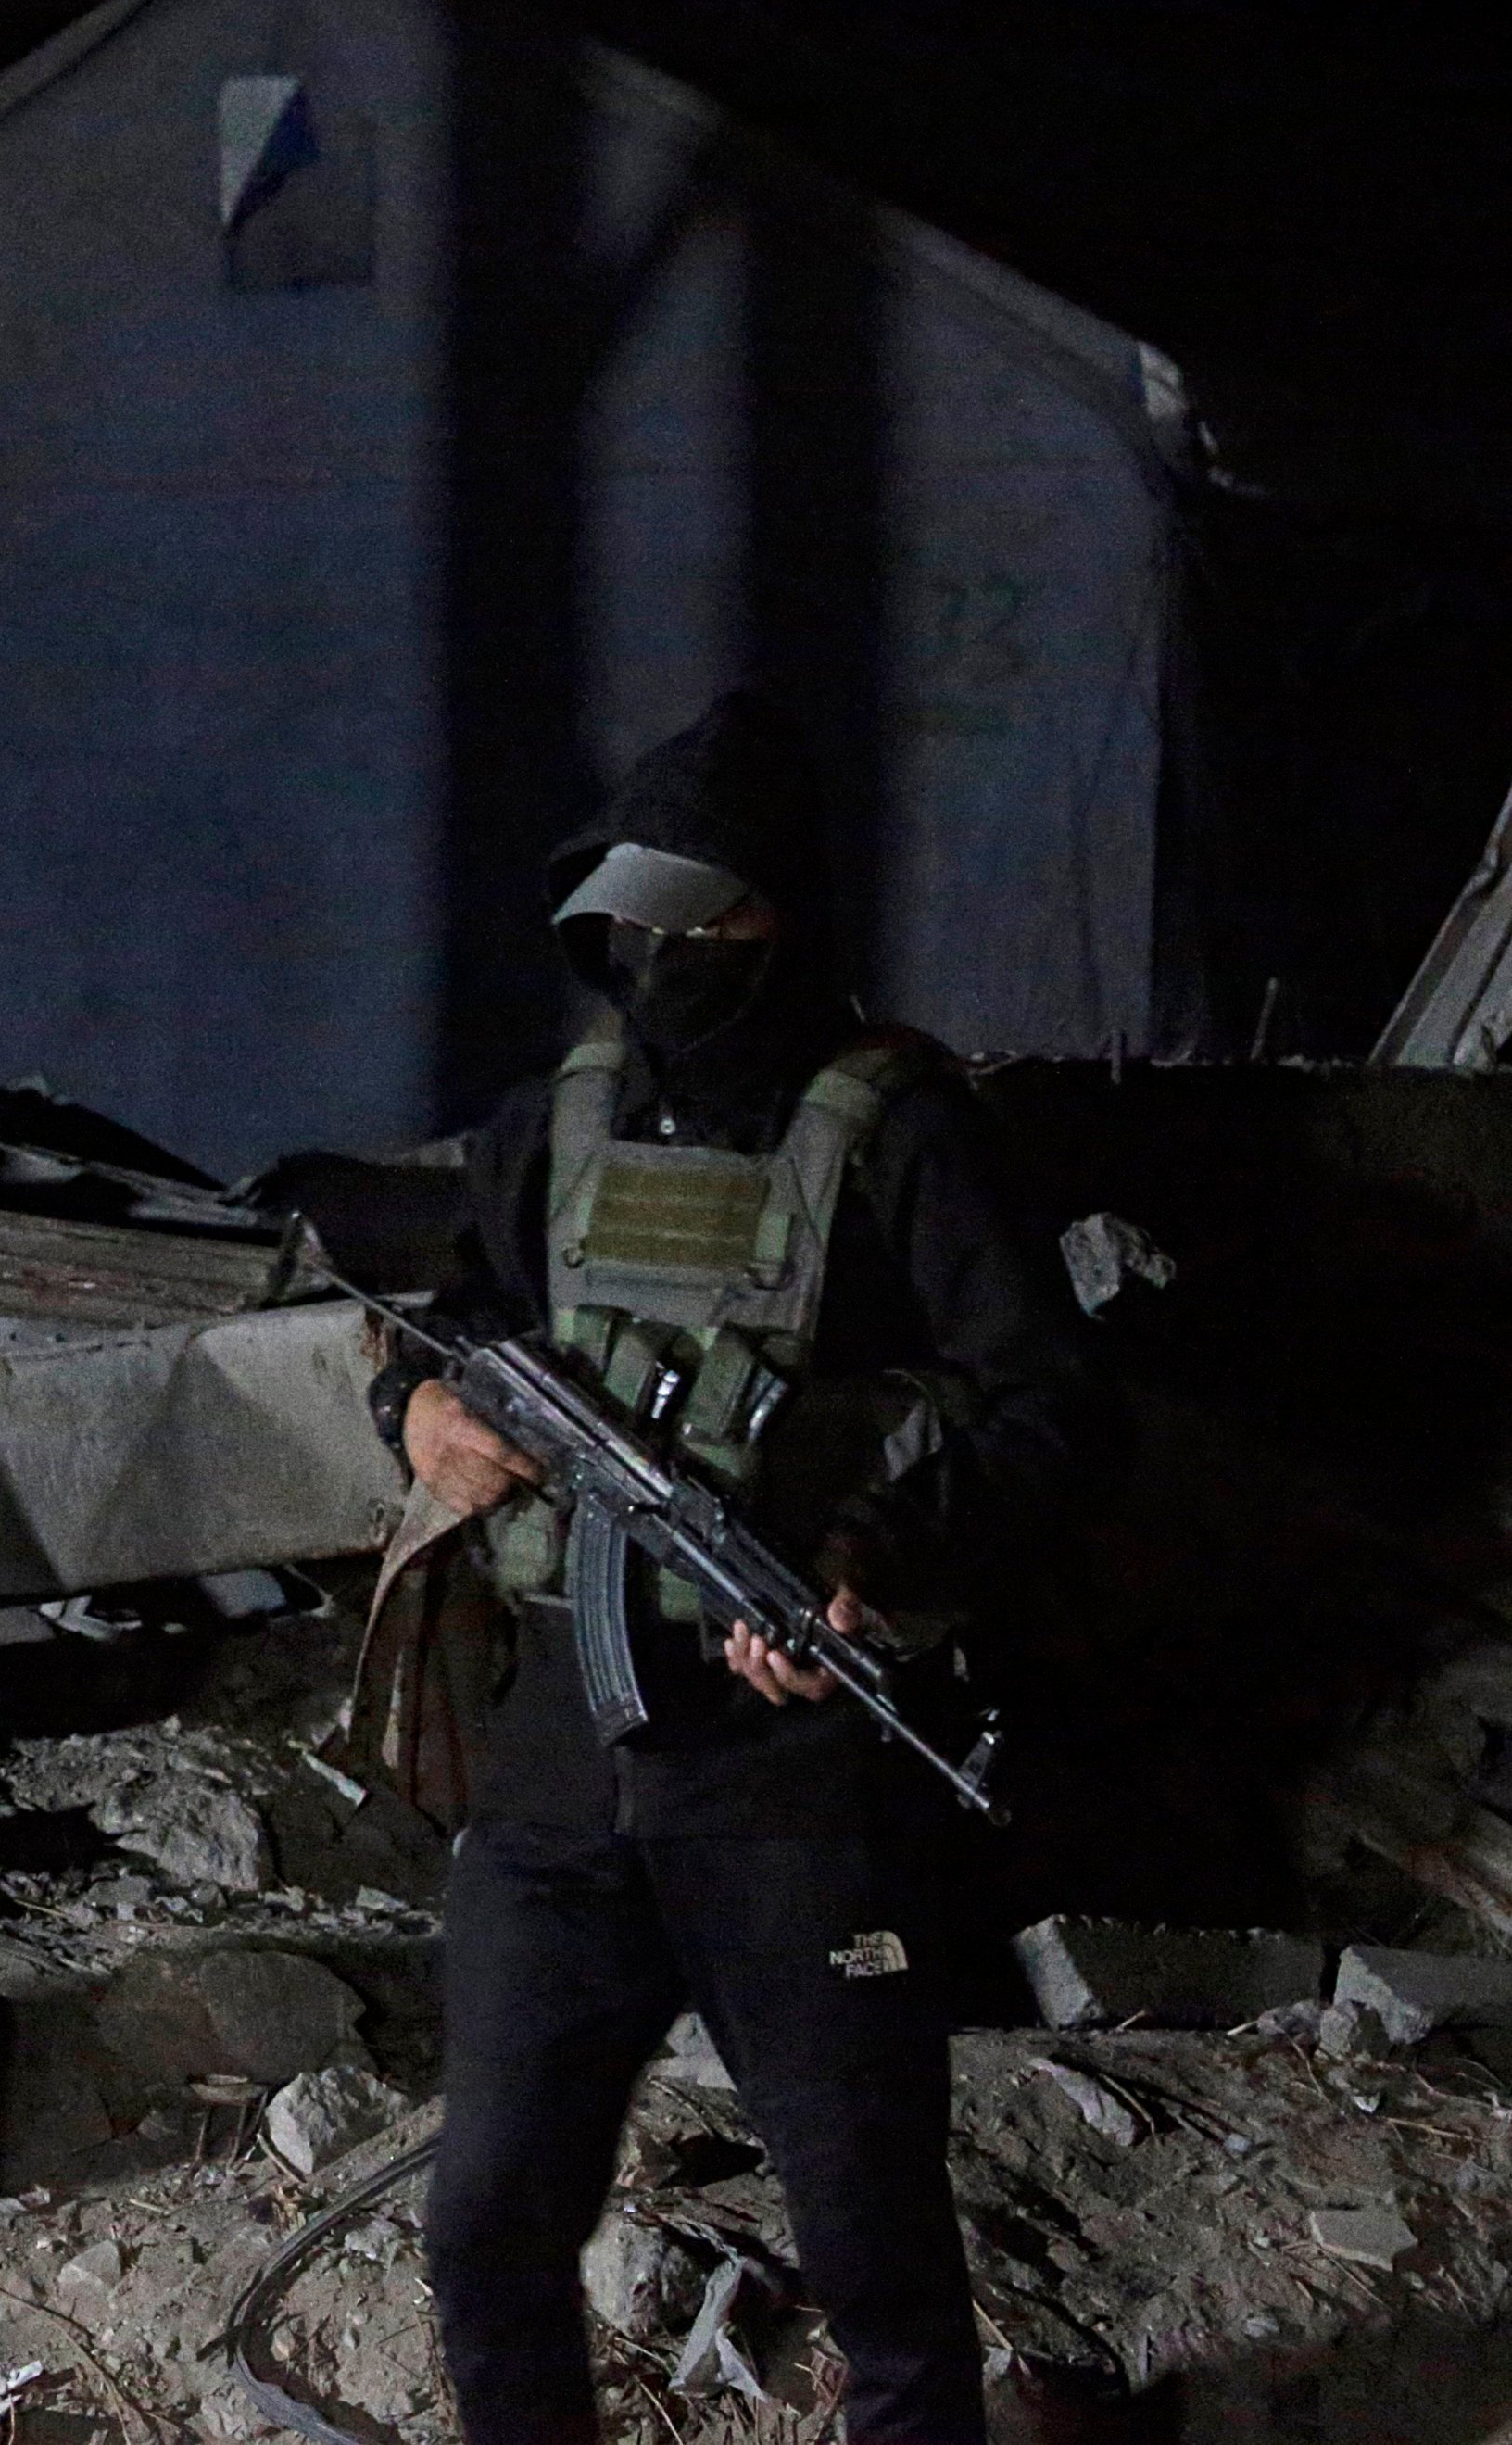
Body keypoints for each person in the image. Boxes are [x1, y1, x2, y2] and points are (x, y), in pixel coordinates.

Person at [367, 692, 1109, 2445]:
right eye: (641, 923)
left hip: (793, 1776)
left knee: (873, 2247)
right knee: (486, 2222)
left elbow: (1051, 1410)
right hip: (560, 1754)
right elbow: (448, 1316)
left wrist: (872, 1560)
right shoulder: (556, 1117)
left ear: (789, 918)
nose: (670, 959)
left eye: (714, 922)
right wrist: (415, 1415)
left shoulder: (902, 1128)